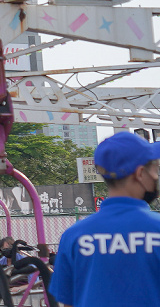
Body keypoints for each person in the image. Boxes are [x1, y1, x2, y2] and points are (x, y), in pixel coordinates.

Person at [51, 131, 160, 307]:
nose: (156, 176)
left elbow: (68, 302)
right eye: (155, 169)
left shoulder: (74, 236)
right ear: (140, 173)